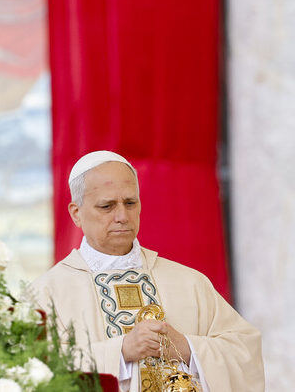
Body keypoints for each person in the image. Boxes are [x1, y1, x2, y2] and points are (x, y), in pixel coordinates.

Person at [27, 151, 264, 392]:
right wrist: (121, 352)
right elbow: (31, 371)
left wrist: (186, 348)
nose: (122, 216)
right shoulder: (46, 294)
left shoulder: (190, 283)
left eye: (130, 203)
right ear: (76, 213)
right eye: (107, 206)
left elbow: (245, 353)